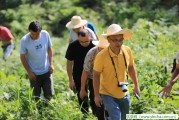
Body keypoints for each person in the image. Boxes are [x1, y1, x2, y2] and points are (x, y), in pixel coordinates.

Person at [93, 24, 140, 120]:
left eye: (120, 40)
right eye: (114, 40)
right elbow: (96, 75)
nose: (118, 43)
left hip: (124, 91)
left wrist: (136, 85)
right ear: (108, 39)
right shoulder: (101, 56)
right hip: (107, 93)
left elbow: (131, 68)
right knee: (116, 117)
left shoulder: (127, 50)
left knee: (124, 117)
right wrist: (97, 95)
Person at [19, 21, 54, 103]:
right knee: (36, 97)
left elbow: (49, 48)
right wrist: (29, 72)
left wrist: (51, 64)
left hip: (46, 70)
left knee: (49, 95)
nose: (34, 36)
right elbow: (22, 57)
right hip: (34, 73)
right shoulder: (24, 40)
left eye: (37, 34)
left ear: (40, 31)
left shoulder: (45, 34)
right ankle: (38, 113)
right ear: (29, 31)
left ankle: (47, 111)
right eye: (32, 34)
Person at [65, 29, 95, 116]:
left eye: (87, 41)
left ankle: (95, 114)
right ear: (78, 38)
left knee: (94, 94)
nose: (84, 44)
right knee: (81, 95)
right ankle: (85, 114)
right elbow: (69, 64)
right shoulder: (72, 46)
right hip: (78, 73)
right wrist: (71, 80)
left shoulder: (95, 44)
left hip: (92, 73)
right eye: (82, 42)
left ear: (90, 37)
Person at [80, 36, 109, 120]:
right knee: (98, 105)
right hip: (94, 80)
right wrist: (82, 89)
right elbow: (85, 71)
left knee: (108, 106)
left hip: (108, 80)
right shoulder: (91, 53)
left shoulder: (111, 51)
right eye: (101, 48)